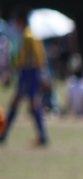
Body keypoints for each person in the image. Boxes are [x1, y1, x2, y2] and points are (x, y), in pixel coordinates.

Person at [0, 8, 49, 148]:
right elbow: (41, 56)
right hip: (31, 73)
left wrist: (16, 68)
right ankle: (42, 136)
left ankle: (3, 134)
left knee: (22, 104)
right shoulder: (32, 34)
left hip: (28, 73)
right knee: (31, 104)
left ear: (21, 21)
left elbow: (30, 57)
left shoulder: (28, 36)